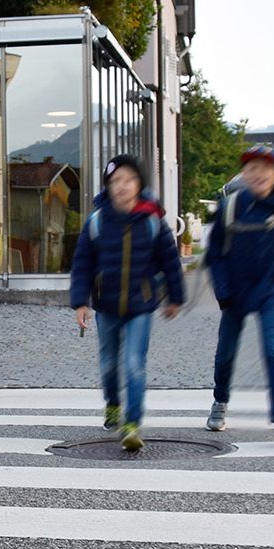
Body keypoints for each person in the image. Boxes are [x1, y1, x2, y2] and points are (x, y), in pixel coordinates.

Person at [202, 143, 274, 444]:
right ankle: (220, 402)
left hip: (270, 290)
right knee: (225, 352)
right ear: (244, 174)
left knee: (273, 348)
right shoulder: (230, 208)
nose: (258, 174)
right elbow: (214, 255)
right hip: (235, 293)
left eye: (264, 169)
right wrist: (222, 289)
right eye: (251, 169)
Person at [70, 153, 184, 451]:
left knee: (134, 364)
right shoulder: (96, 222)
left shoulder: (152, 220)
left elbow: (170, 260)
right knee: (109, 365)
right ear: (107, 186)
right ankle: (113, 403)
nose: (122, 186)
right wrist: (80, 302)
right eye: (115, 181)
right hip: (106, 305)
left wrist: (175, 296)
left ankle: (132, 424)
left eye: (129, 180)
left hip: (141, 304)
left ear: (139, 184)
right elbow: (82, 263)